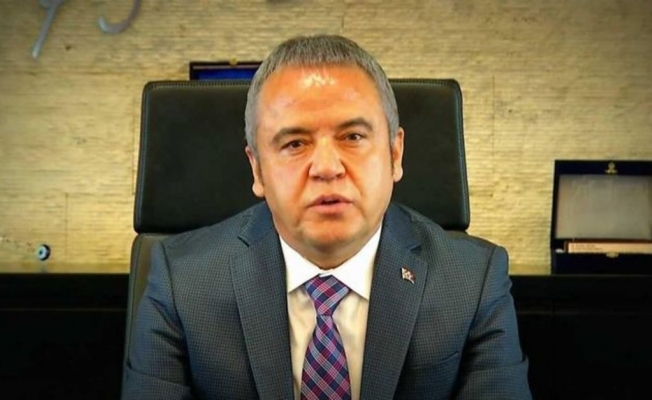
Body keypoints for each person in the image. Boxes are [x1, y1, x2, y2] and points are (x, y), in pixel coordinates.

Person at [122, 34, 532, 400]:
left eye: (353, 137)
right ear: (258, 170)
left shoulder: (472, 281)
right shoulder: (183, 283)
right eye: (295, 143)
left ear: (395, 154)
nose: (326, 167)